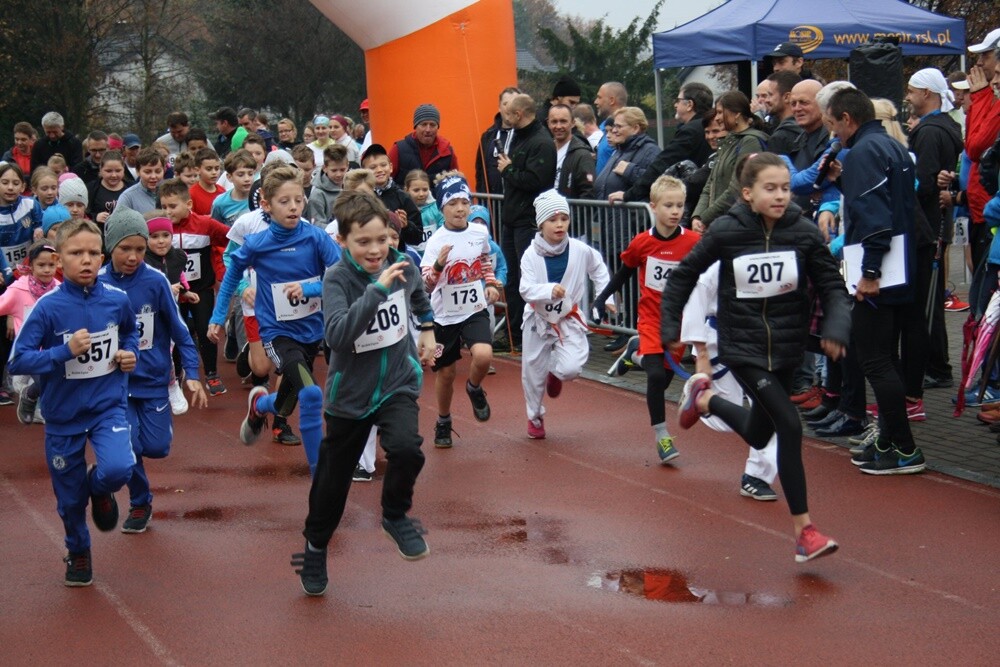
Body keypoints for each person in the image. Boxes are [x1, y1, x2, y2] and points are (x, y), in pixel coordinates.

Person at [661, 152, 851, 561]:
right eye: (770, 188)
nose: (780, 195)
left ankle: (706, 399)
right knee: (789, 424)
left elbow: (833, 286)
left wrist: (836, 327)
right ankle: (805, 531)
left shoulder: (802, 233)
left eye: (785, 187)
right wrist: (670, 329)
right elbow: (684, 276)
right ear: (748, 193)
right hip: (743, 348)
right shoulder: (727, 232)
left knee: (759, 432)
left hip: (786, 348)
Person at [293, 190, 437, 596]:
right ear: (343, 242)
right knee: (332, 484)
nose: (376, 250)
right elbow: (337, 335)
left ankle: (395, 515)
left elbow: (419, 297)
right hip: (350, 396)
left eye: (382, 240)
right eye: (364, 242)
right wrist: (375, 292)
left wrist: (427, 328)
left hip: (397, 383)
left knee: (408, 448)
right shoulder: (336, 278)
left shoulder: (402, 265)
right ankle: (316, 545)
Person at [9, 218, 139, 586]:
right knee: (69, 501)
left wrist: (130, 354)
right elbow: (18, 361)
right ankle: (78, 549)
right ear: (59, 259)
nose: (86, 260)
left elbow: (129, 332)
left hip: (106, 405)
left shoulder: (117, 298)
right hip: (63, 415)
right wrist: (63, 352)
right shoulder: (47, 308)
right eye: (76, 253)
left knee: (117, 469)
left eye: (93, 253)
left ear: (103, 256)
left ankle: (100, 489)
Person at [208, 165, 342, 475]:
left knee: (286, 401)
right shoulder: (258, 243)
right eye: (284, 201)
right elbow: (231, 276)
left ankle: (259, 407)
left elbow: (341, 278)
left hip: (311, 330)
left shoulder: (316, 238)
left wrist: (308, 288)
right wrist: (218, 316)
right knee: (311, 393)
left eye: (298, 200)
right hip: (277, 332)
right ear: (266, 205)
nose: (294, 206)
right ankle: (319, 474)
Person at [825, 87, 928, 475]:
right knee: (887, 359)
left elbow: (874, 217)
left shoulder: (865, 151)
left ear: (848, 119)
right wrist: (841, 183)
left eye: (834, 125)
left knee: (875, 360)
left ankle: (904, 449)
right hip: (900, 266)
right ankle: (888, 437)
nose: (833, 134)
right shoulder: (890, 145)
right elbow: (883, 204)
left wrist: (869, 272)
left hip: (880, 271)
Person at [97, 208, 207, 533]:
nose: (133, 257)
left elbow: (179, 331)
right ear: (110, 247)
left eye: (140, 250)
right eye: (125, 249)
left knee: (156, 448)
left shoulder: (156, 281)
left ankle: (134, 468)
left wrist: (193, 374)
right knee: (129, 447)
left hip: (153, 380)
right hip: (114, 386)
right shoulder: (98, 283)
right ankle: (140, 501)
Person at [598, 176, 701, 461]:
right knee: (656, 376)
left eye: (680, 205)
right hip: (652, 320)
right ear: (654, 207)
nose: (675, 211)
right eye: (669, 205)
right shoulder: (642, 242)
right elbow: (624, 271)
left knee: (664, 378)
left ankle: (636, 353)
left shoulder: (694, 242)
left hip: (681, 324)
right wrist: (602, 297)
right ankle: (662, 437)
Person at [680, 258, 780, 501]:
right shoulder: (723, 260)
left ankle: (756, 476)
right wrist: (701, 353)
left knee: (772, 408)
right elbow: (696, 298)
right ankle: (704, 399)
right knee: (726, 421)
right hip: (721, 340)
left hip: (762, 340)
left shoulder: (783, 255)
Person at [519, 190, 611, 439]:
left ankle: (556, 373)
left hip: (568, 317)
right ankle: (535, 416)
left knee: (572, 367)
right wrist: (549, 289)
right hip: (537, 321)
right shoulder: (530, 255)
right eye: (553, 219)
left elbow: (599, 270)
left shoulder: (580, 250)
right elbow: (525, 289)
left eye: (564, 218)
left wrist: (606, 298)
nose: (559, 224)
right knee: (532, 373)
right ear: (541, 224)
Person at [420, 172, 501, 447]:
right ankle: (443, 420)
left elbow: (484, 261)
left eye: (464, 202)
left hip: (474, 307)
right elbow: (426, 284)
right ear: (442, 208)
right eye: (452, 203)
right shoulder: (436, 241)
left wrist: (490, 284)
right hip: (444, 314)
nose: (459, 208)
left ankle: (474, 388)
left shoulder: (479, 232)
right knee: (446, 373)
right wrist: (440, 265)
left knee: (483, 355)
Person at [906, 69, 964, 392]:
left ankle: (936, 364)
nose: (908, 97)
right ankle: (936, 363)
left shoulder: (929, 133)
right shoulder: (944, 128)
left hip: (927, 225)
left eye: (912, 91)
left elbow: (924, 182)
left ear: (927, 94)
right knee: (931, 297)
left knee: (927, 299)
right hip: (935, 223)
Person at [159, 178, 232, 396]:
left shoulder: (205, 224)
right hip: (173, 293)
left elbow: (232, 237)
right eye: (163, 207)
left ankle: (211, 374)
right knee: (177, 332)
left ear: (188, 204)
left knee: (205, 330)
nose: (167, 211)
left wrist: (227, 261)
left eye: (172, 206)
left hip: (202, 290)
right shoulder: (161, 230)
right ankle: (178, 372)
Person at [498, 94, 557, 350]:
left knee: (527, 278)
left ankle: (529, 333)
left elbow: (538, 181)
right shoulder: (518, 136)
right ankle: (513, 333)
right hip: (511, 219)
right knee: (511, 277)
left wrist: (508, 170)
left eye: (508, 114)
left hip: (528, 221)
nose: (504, 118)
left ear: (519, 114)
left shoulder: (541, 142)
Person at [611, 82, 713, 204]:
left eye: (678, 100)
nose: (675, 104)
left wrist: (630, 194)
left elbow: (662, 164)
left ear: (689, 105)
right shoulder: (710, 127)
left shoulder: (690, 131)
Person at [690, 91, 770, 231]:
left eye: (721, 112)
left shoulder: (750, 141)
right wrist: (697, 216)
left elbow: (736, 188)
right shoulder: (729, 142)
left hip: (739, 226)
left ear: (737, 114)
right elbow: (710, 184)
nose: (718, 117)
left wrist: (705, 218)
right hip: (721, 224)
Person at [1, 240, 60, 424]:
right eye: (41, 265)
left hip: (51, 348)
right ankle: (31, 395)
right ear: (31, 266)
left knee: (60, 381)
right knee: (48, 380)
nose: (47, 269)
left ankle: (33, 397)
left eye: (51, 265)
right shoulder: (18, 289)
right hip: (28, 352)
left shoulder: (59, 289)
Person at [361, 144, 422, 251]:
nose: (379, 170)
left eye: (383, 165)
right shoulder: (362, 198)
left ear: (391, 167)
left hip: (397, 257)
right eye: (373, 167)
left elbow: (418, 238)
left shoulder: (403, 197)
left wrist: (406, 226)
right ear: (364, 172)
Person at [594, 107, 660, 200]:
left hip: (631, 214)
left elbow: (659, 183)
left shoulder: (650, 151)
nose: (614, 130)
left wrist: (630, 171)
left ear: (635, 128)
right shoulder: (619, 150)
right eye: (614, 126)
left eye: (619, 126)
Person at [389, 104, 459, 188]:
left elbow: (456, 183)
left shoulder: (447, 152)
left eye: (432, 125)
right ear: (415, 126)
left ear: (438, 127)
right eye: (423, 124)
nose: (428, 129)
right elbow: (386, 180)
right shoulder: (398, 149)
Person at [475, 87, 521, 196]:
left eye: (513, 104)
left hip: (517, 203)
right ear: (499, 108)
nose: (509, 108)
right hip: (490, 203)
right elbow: (480, 170)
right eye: (505, 104)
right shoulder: (488, 136)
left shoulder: (526, 136)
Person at [548, 104, 595, 199]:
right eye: (554, 122)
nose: (558, 126)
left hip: (569, 211)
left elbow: (588, 192)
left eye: (563, 121)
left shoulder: (582, 154)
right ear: (548, 123)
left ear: (573, 123)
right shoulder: (545, 150)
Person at [404, 169, 445, 256]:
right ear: (406, 190)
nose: (421, 194)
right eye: (416, 190)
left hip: (433, 256)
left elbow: (443, 229)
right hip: (410, 257)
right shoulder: (403, 210)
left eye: (425, 189)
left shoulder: (436, 208)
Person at [210, 149, 256, 226]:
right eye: (241, 175)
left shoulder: (260, 197)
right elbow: (216, 231)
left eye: (250, 174)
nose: (247, 179)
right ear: (229, 177)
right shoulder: (220, 203)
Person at [307, 144, 349, 226]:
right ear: (324, 168)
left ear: (348, 166)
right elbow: (317, 225)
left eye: (342, 169)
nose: (339, 174)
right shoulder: (318, 195)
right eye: (334, 170)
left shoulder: (352, 188)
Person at [764, 71, 804, 156]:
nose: (766, 100)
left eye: (770, 95)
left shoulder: (780, 137)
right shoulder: (812, 130)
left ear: (787, 97)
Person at [116, 148, 165, 215]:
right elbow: (115, 223)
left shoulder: (172, 192)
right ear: (138, 171)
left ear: (164, 170)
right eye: (147, 172)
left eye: (158, 171)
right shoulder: (128, 197)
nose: (153, 176)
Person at [593, 82, 628, 173]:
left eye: (599, 97)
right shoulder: (604, 126)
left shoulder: (628, 130)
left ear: (612, 100)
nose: (595, 102)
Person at [86, 151, 127, 226]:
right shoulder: (91, 189)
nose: (114, 175)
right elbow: (84, 212)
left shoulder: (131, 188)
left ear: (123, 169)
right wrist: (95, 217)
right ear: (101, 169)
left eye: (118, 171)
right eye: (109, 171)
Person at [189, 148, 225, 215]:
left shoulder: (222, 191)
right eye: (209, 169)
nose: (214, 172)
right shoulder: (192, 194)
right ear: (197, 170)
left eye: (217, 168)